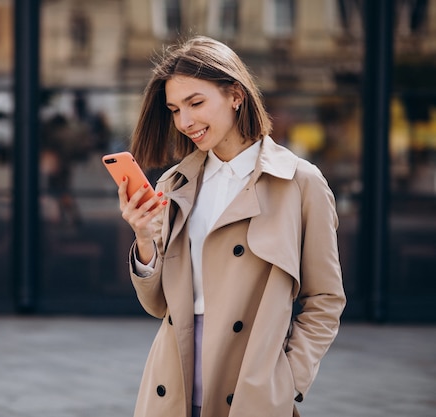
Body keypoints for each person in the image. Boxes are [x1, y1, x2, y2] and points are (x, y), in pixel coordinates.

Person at [116, 36, 346, 417]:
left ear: (235, 95)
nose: (185, 121)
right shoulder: (173, 185)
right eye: (174, 109)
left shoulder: (299, 183)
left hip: (251, 390)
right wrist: (143, 238)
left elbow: (325, 300)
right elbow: (157, 304)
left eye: (196, 103)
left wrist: (286, 380)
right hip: (171, 386)